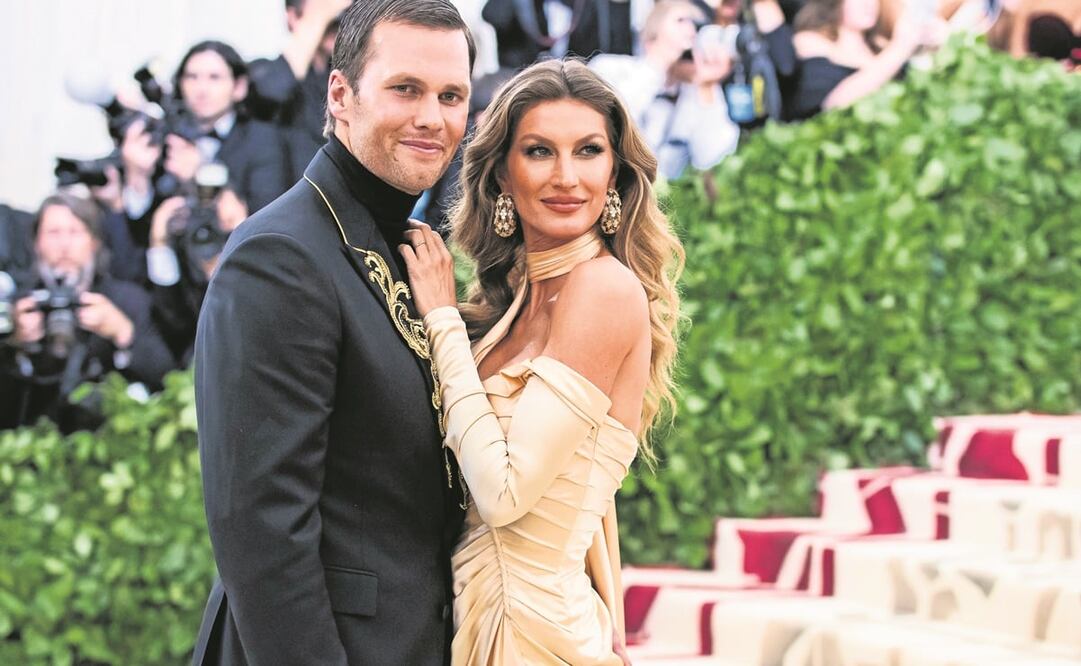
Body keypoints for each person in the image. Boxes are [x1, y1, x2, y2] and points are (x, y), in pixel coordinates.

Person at [190, 0, 474, 664]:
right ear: (340, 95)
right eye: (405, 88)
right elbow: (264, 534)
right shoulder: (280, 256)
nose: (431, 117)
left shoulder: (411, 251)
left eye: (451, 96)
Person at [399, 58, 684, 664]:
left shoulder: (603, 289)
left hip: (534, 636)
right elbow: (584, 488)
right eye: (539, 152)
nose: (566, 177)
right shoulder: (512, 304)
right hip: (485, 617)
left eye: (588, 151)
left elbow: (504, 495)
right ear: (503, 173)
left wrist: (441, 319)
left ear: (615, 172)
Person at [0, 192, 173, 432]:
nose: (64, 245)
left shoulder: (127, 300)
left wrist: (123, 332)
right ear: (36, 243)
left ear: (94, 241)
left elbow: (168, 377)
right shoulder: (21, 307)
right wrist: (15, 345)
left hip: (111, 437)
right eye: (53, 233)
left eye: (75, 232)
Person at [590, 0, 740, 179]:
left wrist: (706, 88)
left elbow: (712, 160)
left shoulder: (692, 92)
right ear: (651, 35)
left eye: (696, 26)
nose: (691, 32)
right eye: (681, 21)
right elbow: (609, 126)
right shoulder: (609, 68)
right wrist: (658, 63)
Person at [248, 0, 352, 179]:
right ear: (292, 17)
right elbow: (271, 93)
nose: (337, 25)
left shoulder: (346, 80)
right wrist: (320, 16)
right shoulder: (265, 72)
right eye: (331, 21)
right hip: (286, 188)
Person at [790, 0, 942, 119]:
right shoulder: (810, 41)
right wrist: (900, 47)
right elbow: (831, 106)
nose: (868, 3)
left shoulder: (881, 45)